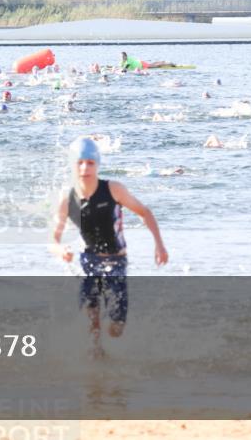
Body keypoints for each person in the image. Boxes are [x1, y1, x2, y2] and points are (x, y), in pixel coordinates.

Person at [51, 137, 168, 356]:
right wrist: (61, 251)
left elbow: (145, 212)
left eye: (90, 163)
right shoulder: (67, 199)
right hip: (90, 261)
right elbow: (54, 237)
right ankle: (96, 365)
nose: (85, 168)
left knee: (115, 329)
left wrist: (159, 245)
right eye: (79, 162)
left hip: (116, 261)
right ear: (73, 165)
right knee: (90, 319)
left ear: (97, 164)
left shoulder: (113, 189)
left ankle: (108, 342)